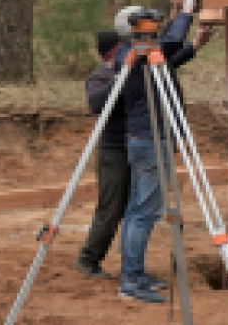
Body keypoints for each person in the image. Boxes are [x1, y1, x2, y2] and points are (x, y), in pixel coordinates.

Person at [104, 0, 213, 304]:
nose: (154, 31)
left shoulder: (133, 55)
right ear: (136, 31)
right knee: (143, 213)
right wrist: (187, 12)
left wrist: (194, 47)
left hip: (144, 140)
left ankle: (135, 274)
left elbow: (169, 58)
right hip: (151, 140)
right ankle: (132, 283)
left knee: (137, 210)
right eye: (147, 26)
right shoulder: (135, 53)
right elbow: (172, 41)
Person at [74, 28, 131, 279]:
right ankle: (88, 260)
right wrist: (120, 79)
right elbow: (97, 104)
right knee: (110, 209)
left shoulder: (129, 72)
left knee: (133, 209)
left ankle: (131, 266)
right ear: (114, 50)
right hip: (113, 152)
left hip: (134, 148)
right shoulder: (99, 77)